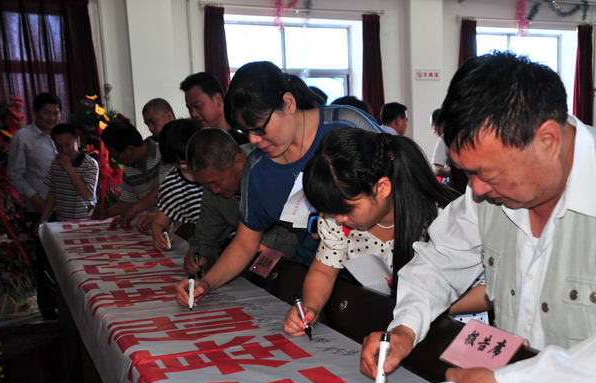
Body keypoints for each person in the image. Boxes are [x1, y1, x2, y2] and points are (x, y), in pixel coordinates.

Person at [360, 52, 596, 383]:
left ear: (547, 140)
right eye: (468, 173)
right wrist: (404, 328)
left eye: (488, 174)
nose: (477, 190)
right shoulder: (489, 190)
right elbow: (437, 262)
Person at [174, 61, 381, 308]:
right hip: (315, 280)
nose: (253, 140)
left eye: (259, 128)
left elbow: (400, 189)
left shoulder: (347, 126)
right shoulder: (257, 169)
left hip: (383, 276)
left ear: (289, 103)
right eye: (246, 131)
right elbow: (245, 243)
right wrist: (207, 283)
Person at [282, 128, 486, 336]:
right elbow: (324, 270)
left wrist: (423, 306)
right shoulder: (338, 220)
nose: (339, 219)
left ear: (382, 188)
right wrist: (310, 308)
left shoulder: (442, 217)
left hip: (454, 327)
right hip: (395, 323)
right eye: (331, 211)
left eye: (347, 209)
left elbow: (490, 290)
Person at [182, 127, 297, 275]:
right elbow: (206, 238)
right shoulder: (213, 190)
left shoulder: (273, 166)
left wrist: (252, 250)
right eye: (206, 185)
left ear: (238, 161)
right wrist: (199, 256)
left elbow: (293, 232)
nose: (214, 190)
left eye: (216, 182)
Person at [136, 119, 204, 251]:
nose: (183, 166)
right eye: (176, 163)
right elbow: (159, 223)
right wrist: (159, 236)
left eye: (187, 160)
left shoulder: (217, 166)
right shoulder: (172, 185)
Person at [96, 120, 167, 228]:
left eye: (115, 156)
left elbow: (164, 189)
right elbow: (127, 201)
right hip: (153, 225)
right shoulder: (129, 168)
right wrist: (107, 212)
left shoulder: (164, 153)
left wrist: (134, 209)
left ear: (131, 150)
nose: (116, 160)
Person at [7, 92, 60, 216]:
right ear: (35, 112)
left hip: (69, 206)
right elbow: (14, 175)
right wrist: (35, 199)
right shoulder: (22, 137)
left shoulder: (64, 135)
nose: (52, 117)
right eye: (47, 112)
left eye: (56, 113)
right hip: (40, 206)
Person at [37, 123, 99, 226]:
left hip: (86, 221)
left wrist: (69, 169)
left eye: (68, 145)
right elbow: (52, 192)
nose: (64, 150)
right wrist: (43, 220)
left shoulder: (90, 164)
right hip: (62, 221)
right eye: (58, 146)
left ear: (77, 141)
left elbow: (88, 195)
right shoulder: (56, 162)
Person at [179, 72, 248, 145]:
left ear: (218, 100)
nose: (193, 114)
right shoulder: (192, 143)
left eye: (198, 106)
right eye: (189, 108)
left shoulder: (245, 144)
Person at [430, 108, 450, 181]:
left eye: (433, 126)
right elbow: (436, 168)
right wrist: (451, 171)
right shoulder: (443, 139)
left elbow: (436, 168)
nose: (433, 131)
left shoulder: (444, 138)